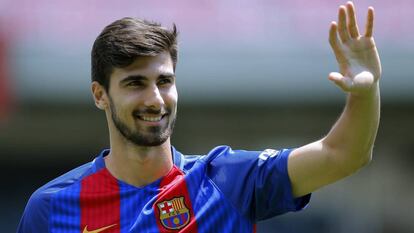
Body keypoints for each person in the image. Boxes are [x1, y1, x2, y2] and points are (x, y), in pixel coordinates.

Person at [17, 1, 381, 232]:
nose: (155, 99)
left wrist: (366, 93)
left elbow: (344, 155)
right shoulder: (52, 208)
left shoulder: (229, 179)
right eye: (135, 83)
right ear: (100, 95)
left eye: (164, 81)